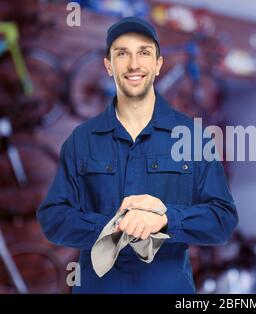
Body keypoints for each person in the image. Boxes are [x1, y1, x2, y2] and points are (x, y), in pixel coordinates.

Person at [37, 16, 238, 293]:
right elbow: (53, 218)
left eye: (144, 53)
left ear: (158, 64)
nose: (134, 64)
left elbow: (223, 220)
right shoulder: (82, 140)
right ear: (109, 65)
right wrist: (112, 226)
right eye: (122, 54)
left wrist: (166, 218)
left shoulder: (194, 138)